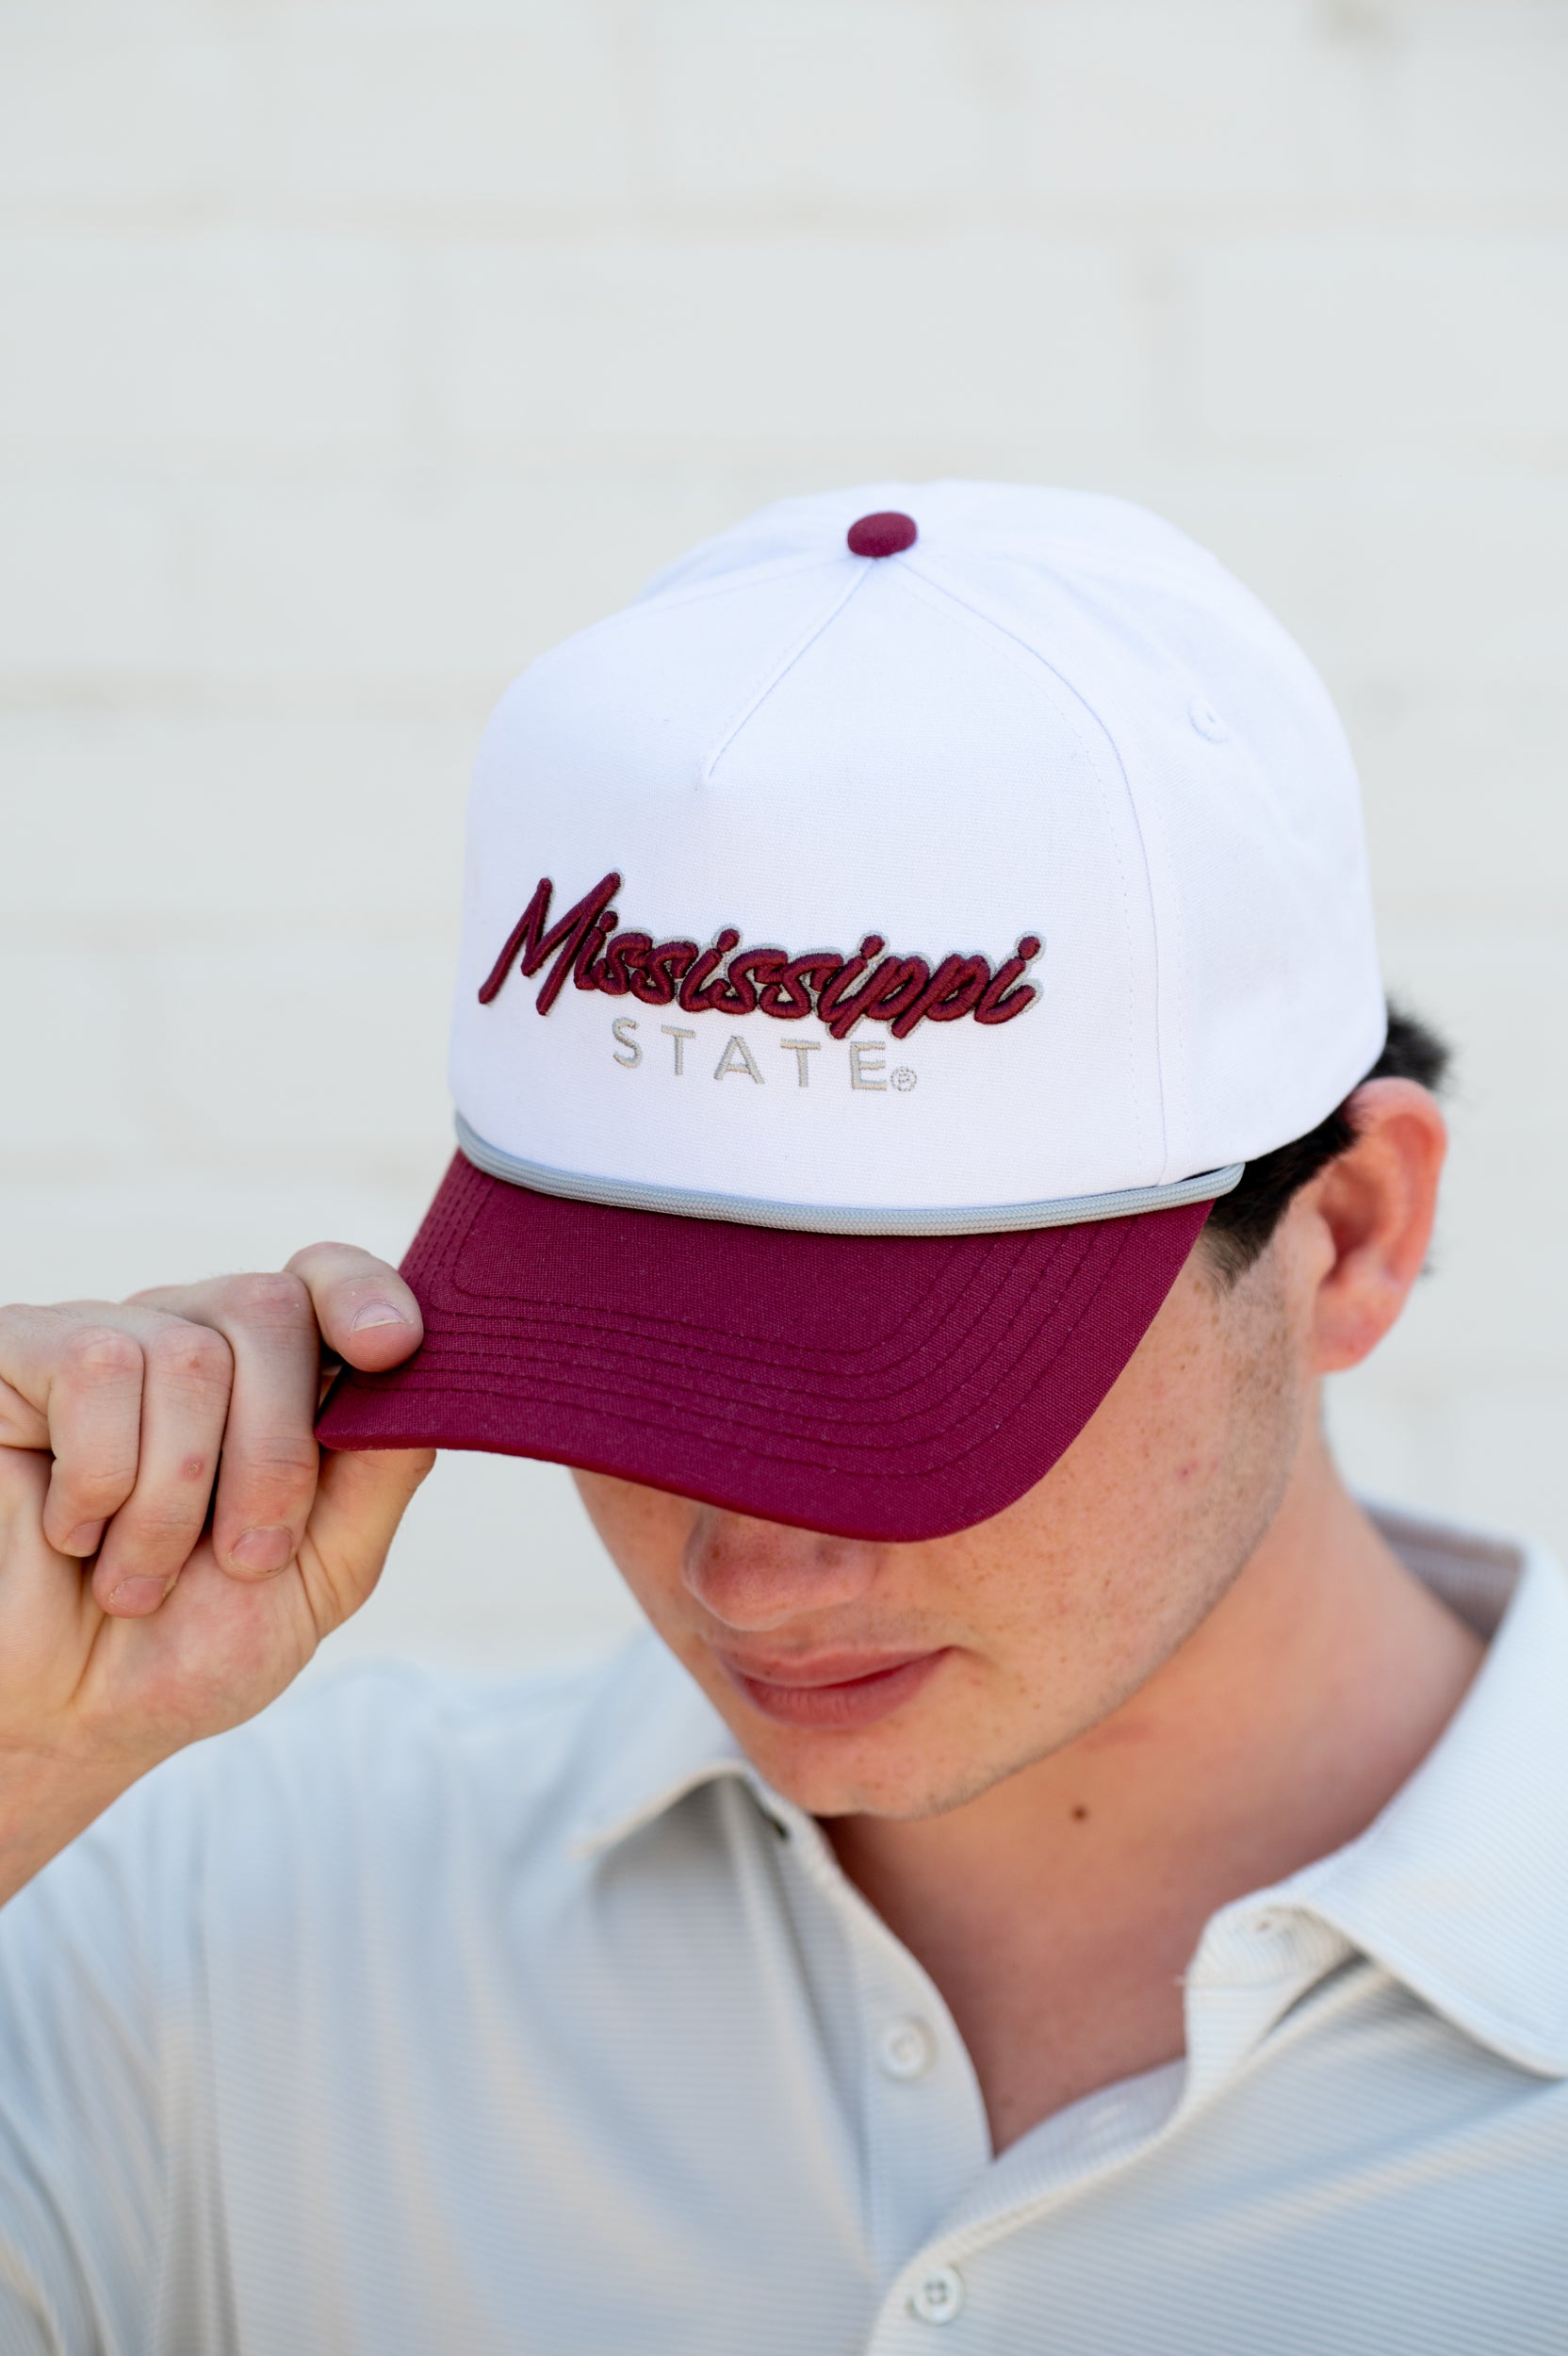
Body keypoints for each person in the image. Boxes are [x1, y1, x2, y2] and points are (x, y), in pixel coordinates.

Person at [0, 485, 1562, 2355]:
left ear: (1350, 1235)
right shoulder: (209, 1918)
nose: (746, 1562)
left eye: (905, 1393)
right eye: (630, 1363)